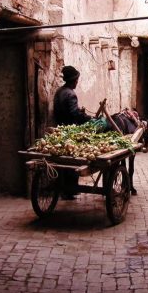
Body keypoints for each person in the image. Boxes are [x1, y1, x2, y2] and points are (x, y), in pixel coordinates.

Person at [52, 65, 90, 199]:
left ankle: (63, 189)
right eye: (76, 80)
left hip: (59, 129)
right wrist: (87, 118)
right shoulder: (71, 94)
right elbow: (74, 114)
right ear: (73, 81)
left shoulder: (59, 91)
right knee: (73, 160)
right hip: (70, 131)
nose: (77, 82)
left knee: (62, 161)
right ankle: (71, 189)